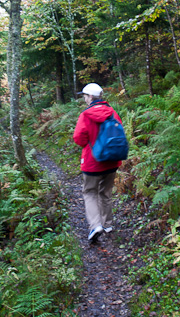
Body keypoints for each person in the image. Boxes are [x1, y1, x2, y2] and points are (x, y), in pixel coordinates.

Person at [73, 83, 123, 242]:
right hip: (112, 161)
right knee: (105, 192)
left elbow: (79, 139)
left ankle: (95, 225)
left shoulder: (86, 115)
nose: (84, 99)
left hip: (92, 163)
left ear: (90, 97)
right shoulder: (112, 112)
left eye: (85, 96)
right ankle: (107, 224)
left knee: (90, 193)